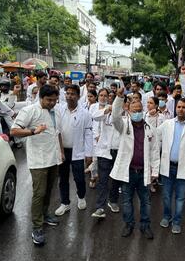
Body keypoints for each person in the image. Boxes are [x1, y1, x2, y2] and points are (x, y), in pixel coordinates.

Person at [10, 85, 65, 245]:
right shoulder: (30, 110)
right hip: (39, 161)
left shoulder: (56, 111)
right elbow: (14, 131)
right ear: (41, 97)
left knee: (49, 190)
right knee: (39, 193)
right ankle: (37, 226)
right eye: (49, 100)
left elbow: (58, 132)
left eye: (55, 100)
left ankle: (46, 215)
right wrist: (33, 131)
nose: (52, 103)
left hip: (54, 158)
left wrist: (61, 151)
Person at [110, 88, 160, 239]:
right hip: (129, 171)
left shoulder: (150, 129)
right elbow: (114, 118)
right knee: (127, 201)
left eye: (139, 109)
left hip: (144, 171)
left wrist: (154, 172)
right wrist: (119, 98)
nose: (137, 112)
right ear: (129, 110)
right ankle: (129, 224)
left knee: (146, 202)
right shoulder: (124, 125)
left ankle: (145, 226)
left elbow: (154, 152)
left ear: (142, 110)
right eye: (134, 110)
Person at [157, 97, 185, 234]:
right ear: (175, 108)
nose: (181, 109)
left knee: (180, 198)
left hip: (184, 168)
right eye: (179, 107)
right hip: (168, 166)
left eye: (184, 107)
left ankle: (176, 222)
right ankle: (166, 216)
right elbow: (154, 136)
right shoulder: (167, 124)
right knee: (166, 195)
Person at [54, 84, 94, 216]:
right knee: (63, 178)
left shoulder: (85, 114)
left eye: (72, 94)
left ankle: (81, 196)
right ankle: (65, 203)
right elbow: (56, 130)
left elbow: (88, 135)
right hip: (62, 150)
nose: (69, 96)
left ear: (78, 96)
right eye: (67, 93)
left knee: (79, 178)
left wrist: (89, 154)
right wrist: (59, 150)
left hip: (78, 151)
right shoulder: (59, 110)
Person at [90, 88, 122, 218]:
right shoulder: (105, 111)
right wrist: (106, 110)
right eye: (108, 96)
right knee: (103, 180)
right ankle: (100, 207)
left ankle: (113, 201)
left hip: (119, 151)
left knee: (115, 179)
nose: (109, 98)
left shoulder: (123, 112)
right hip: (104, 151)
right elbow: (95, 117)